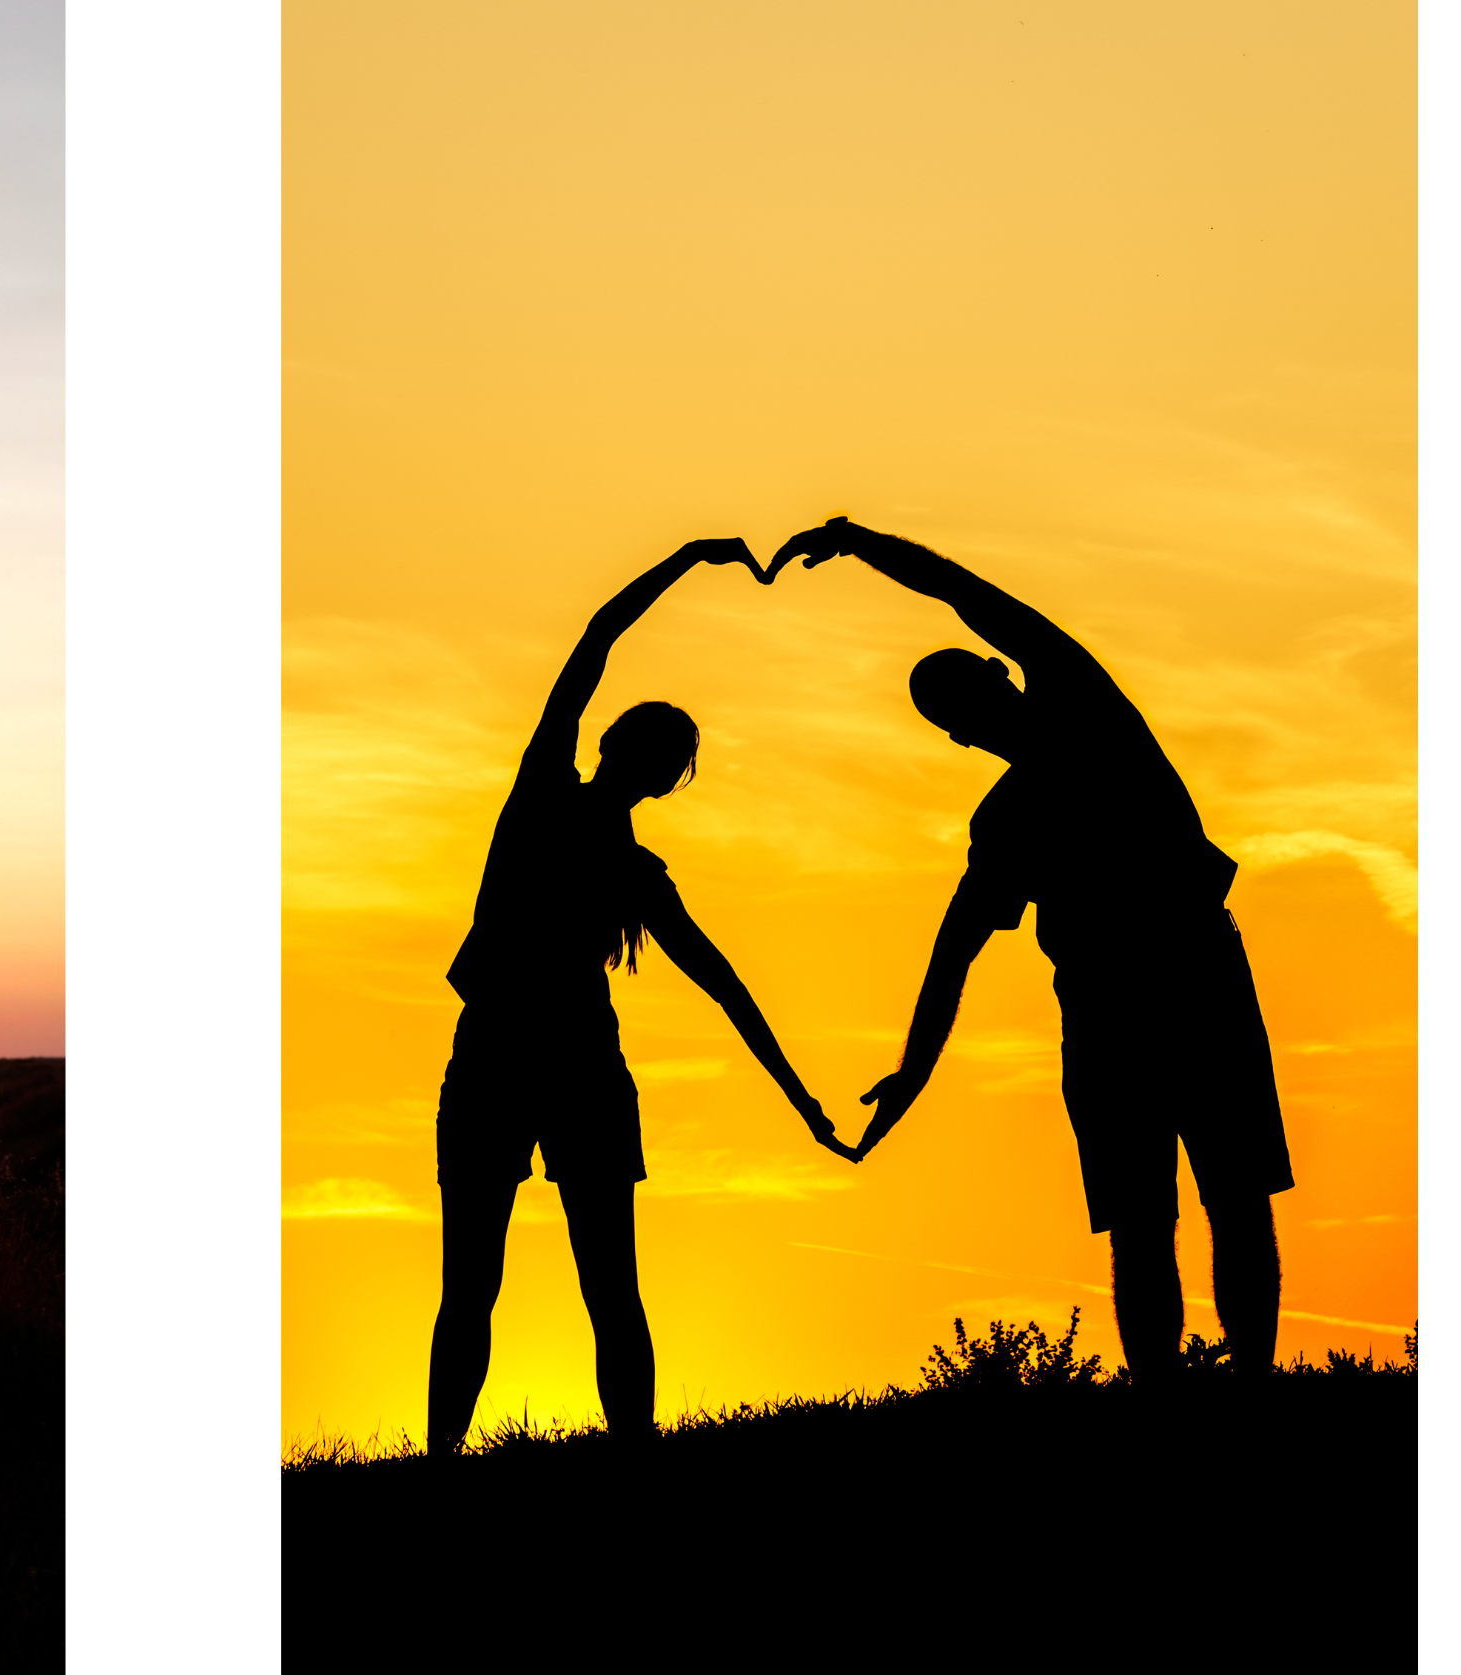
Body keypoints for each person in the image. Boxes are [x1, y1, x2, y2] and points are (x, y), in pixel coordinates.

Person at [767, 516, 1293, 1381]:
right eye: (951, 708)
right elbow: (953, 952)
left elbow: (961, 588)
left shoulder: (1081, 706)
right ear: (961, 733)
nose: (966, 707)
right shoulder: (1009, 817)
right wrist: (912, 1072)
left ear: (996, 676)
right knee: (1148, 1216)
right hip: (1115, 1004)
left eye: (962, 686)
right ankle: (1176, 1386)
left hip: (1192, 974)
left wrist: (859, 540)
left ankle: (1253, 1378)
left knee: (1228, 1198)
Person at [429, 540, 847, 1454]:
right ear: (652, 769)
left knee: (537, 1283)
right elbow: (598, 637)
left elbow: (728, 987)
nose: (639, 757)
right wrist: (687, 558)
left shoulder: (608, 849)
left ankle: (495, 1461)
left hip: (539, 1060)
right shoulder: (562, 809)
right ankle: (535, 1459)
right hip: (526, 1057)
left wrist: (803, 1099)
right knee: (558, 1282)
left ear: (646, 767)